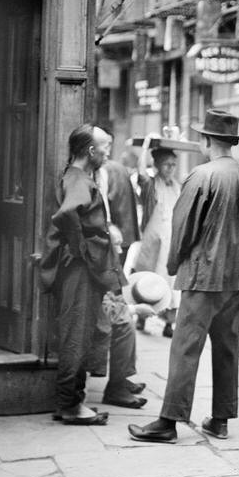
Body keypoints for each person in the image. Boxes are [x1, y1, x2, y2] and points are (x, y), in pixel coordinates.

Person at [128, 109, 239, 444]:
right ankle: (220, 419)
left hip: (205, 274)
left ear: (206, 141)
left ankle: (169, 421)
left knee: (186, 347)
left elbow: (183, 226)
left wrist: (173, 265)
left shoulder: (201, 176)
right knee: (227, 346)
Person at [38, 124, 122, 425]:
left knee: (81, 332)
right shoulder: (78, 179)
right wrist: (83, 248)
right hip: (79, 271)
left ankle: (71, 402)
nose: (107, 152)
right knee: (76, 334)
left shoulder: (76, 176)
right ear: (90, 150)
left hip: (79, 269)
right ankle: (70, 405)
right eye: (104, 147)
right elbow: (65, 215)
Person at [93, 158, 145, 410]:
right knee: (124, 322)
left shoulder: (103, 173)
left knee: (125, 315)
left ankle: (121, 380)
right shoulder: (88, 180)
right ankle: (117, 386)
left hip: (101, 284)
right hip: (89, 292)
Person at [135, 141, 183, 334]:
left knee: (171, 283)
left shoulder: (177, 187)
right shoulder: (151, 184)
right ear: (157, 165)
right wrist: (146, 145)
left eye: (173, 164)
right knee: (149, 278)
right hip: (153, 241)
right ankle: (142, 317)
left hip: (171, 241)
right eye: (166, 164)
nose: (171, 169)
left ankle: (169, 322)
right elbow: (140, 172)